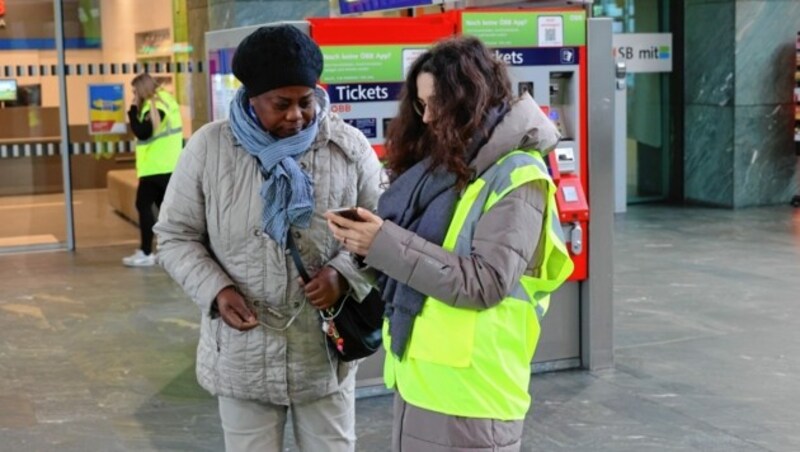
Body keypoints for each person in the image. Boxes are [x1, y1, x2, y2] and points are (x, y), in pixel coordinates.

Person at [326, 36, 573, 452]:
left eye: (438, 102)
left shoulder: (519, 174)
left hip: (475, 393)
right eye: (422, 104)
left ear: (472, 97)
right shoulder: (448, 170)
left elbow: (485, 282)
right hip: (423, 380)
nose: (427, 118)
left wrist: (383, 242)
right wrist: (367, 242)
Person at [153, 25, 382, 452]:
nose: (296, 116)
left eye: (306, 101)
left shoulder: (347, 149)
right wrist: (216, 289)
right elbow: (175, 236)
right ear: (251, 97)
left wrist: (343, 275)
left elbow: (384, 230)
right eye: (281, 104)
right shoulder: (209, 149)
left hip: (324, 353)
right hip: (244, 353)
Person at [123, 73, 183, 267]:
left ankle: (147, 252)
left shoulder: (157, 105)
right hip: (164, 166)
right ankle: (171, 251)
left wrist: (132, 111)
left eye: (134, 91)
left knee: (143, 205)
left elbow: (143, 131)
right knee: (165, 212)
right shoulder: (163, 101)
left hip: (157, 167)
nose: (134, 95)